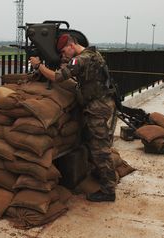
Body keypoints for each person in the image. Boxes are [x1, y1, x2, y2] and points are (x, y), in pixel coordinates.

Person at [29, 34, 117, 202]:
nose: (64, 55)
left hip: (97, 108)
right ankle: (102, 175)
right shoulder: (93, 54)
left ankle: (108, 190)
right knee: (95, 143)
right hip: (102, 104)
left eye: (64, 51)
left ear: (71, 45)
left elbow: (57, 77)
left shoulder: (81, 60)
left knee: (100, 148)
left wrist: (39, 66)